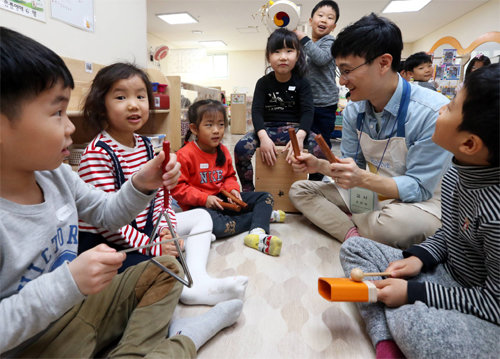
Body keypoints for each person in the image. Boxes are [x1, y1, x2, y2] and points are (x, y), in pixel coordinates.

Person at [0, 27, 243, 358]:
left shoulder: (56, 174)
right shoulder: (98, 152)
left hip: (79, 304)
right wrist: (68, 282)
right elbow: (107, 228)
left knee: (165, 269)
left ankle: (177, 309)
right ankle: (187, 339)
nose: (70, 126)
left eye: (141, 96)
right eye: (57, 113)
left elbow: (107, 210)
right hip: (34, 343)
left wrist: (144, 183)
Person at [339, 63, 500, 359]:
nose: (440, 110)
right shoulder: (457, 170)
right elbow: (448, 234)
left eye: (450, 108)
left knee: (417, 324)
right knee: (354, 249)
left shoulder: (494, 211)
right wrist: (420, 257)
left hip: (478, 305)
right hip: (442, 273)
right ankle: (391, 325)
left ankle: (386, 334)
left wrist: (415, 294)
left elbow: (494, 303)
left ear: (469, 143)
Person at [78, 62, 248, 306]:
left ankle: (197, 280)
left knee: (202, 217)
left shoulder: (148, 146)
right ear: (101, 106)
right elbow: (108, 223)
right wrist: (153, 247)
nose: (134, 104)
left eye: (140, 96)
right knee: (159, 270)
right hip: (111, 243)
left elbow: (162, 197)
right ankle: (184, 282)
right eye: (120, 97)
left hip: (146, 229)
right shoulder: (99, 153)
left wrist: (165, 230)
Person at [289, 13, 452, 248]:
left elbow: (418, 187)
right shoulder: (354, 111)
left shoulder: (432, 112)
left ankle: (357, 223)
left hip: (417, 203)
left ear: (384, 63)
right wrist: (319, 165)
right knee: (301, 190)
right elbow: (349, 169)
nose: (342, 81)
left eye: (347, 70)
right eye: (340, 72)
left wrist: (362, 181)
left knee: (397, 225)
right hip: (371, 193)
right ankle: (355, 235)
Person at [172, 99, 284, 256]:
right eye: (209, 125)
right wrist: (205, 199)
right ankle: (262, 216)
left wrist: (233, 190)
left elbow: (229, 176)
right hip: (199, 208)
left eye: (221, 124)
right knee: (217, 225)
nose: (216, 130)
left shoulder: (222, 150)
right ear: (194, 128)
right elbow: (178, 189)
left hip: (223, 200)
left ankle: (257, 232)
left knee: (265, 197)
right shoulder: (184, 155)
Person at [234, 28, 318, 192]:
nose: (283, 57)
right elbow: (256, 112)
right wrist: (263, 137)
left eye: (289, 51)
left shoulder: (303, 82)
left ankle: (314, 189)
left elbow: (308, 112)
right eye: (277, 51)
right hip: (267, 129)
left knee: (321, 149)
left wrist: (300, 136)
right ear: (268, 56)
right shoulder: (263, 83)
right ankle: (248, 190)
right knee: (240, 148)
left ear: (298, 55)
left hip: (295, 130)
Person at [294, 0, 340, 180]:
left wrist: (302, 37)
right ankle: (300, 179)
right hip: (305, 104)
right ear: (311, 20)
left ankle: (317, 182)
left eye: (330, 18)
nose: (324, 20)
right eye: (320, 15)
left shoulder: (330, 41)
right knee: (303, 142)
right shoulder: (302, 46)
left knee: (321, 144)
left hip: (325, 104)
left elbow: (320, 58)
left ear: (333, 26)